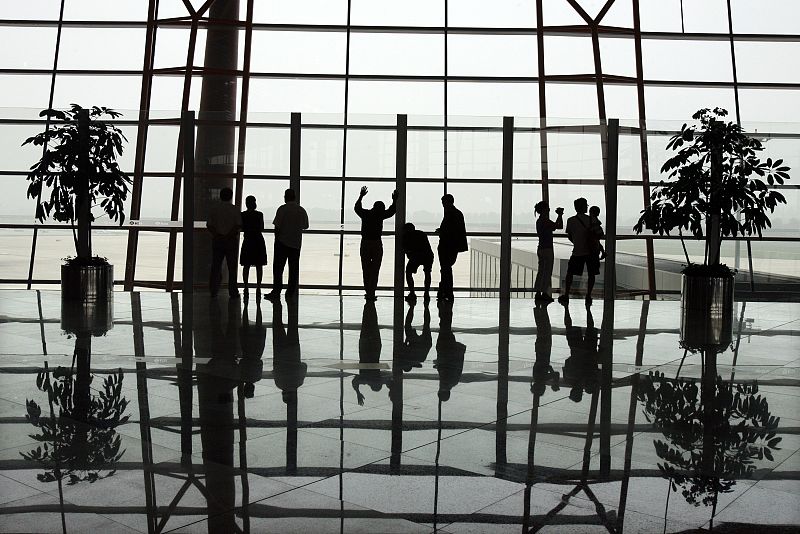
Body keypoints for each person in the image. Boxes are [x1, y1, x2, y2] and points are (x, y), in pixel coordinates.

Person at [264, 189, 308, 302]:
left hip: (282, 243)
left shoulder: (282, 209)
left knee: (278, 269)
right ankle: (290, 293)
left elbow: (277, 226)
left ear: (285, 197)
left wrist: (277, 240)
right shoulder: (301, 210)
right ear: (295, 197)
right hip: (296, 244)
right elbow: (305, 226)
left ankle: (276, 291)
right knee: (293, 269)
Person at [354, 186, 396, 301]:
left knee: (366, 269)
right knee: (375, 270)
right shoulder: (380, 215)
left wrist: (361, 196)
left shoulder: (366, 214)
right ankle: (371, 292)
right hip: (376, 243)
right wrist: (394, 201)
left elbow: (357, 208)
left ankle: (368, 292)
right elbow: (391, 211)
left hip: (365, 243)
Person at [559, 197, 602, 306]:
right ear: (583, 207)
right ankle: (588, 296)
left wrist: (577, 242)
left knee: (570, 273)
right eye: (586, 205)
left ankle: (566, 295)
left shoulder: (571, 220)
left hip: (577, 251)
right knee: (591, 274)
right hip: (591, 252)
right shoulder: (592, 219)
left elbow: (570, 235)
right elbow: (599, 234)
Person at [207, 187, 241, 298]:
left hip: (218, 241)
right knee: (232, 267)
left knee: (216, 266)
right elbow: (237, 225)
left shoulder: (214, 209)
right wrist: (228, 236)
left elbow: (209, 225)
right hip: (231, 241)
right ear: (231, 196)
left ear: (220, 196)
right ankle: (233, 291)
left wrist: (218, 235)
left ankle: (214, 290)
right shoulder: (235, 209)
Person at [435, 194, 468, 302]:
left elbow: (450, 231)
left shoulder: (450, 214)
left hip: (447, 246)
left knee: (445, 269)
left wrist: (441, 231)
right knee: (446, 269)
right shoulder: (457, 213)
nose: (443, 205)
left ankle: (446, 291)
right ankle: (445, 291)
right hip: (452, 246)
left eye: (443, 203)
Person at [533, 201, 564, 303]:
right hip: (547, 249)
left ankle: (538, 292)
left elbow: (556, 226)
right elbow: (559, 226)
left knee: (541, 271)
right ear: (544, 210)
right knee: (547, 272)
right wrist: (560, 215)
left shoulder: (540, 221)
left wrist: (559, 216)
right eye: (547, 208)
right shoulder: (545, 221)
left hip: (541, 248)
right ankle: (544, 293)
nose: (549, 209)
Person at [239, 195, 268, 295]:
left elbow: (241, 228)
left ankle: (246, 287)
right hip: (258, 240)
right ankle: (258, 287)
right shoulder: (259, 214)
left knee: (246, 265)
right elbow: (261, 228)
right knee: (259, 265)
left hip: (248, 240)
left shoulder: (243, 215)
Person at [402, 222, 434, 303]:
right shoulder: (422, 233)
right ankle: (426, 293)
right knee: (427, 273)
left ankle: (412, 293)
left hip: (416, 256)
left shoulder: (406, 236)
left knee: (408, 272)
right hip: (428, 255)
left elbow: (407, 250)